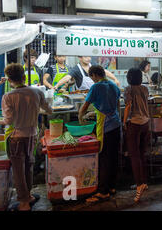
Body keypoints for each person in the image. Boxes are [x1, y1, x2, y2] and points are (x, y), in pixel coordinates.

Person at [0, 63, 52, 211]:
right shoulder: (36, 92)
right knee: (29, 165)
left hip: (15, 137)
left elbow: (8, 121)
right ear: (24, 76)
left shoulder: (8, 96)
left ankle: (23, 202)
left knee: (18, 169)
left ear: (9, 80)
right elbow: (49, 109)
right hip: (31, 136)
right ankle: (29, 195)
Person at [78, 65, 121, 203]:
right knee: (114, 157)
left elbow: (84, 107)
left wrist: (80, 118)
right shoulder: (114, 85)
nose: (92, 80)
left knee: (104, 159)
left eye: (91, 77)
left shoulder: (96, 87)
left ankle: (103, 192)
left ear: (95, 75)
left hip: (106, 126)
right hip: (116, 123)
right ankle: (112, 187)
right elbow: (117, 105)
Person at [123, 68, 150, 203]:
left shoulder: (128, 89)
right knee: (142, 154)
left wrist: (123, 122)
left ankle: (139, 186)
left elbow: (128, 107)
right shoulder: (145, 88)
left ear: (129, 77)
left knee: (134, 156)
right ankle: (143, 182)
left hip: (134, 124)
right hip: (146, 123)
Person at [54, 56, 120, 91]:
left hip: (96, 93)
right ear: (80, 58)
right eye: (86, 57)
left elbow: (104, 71)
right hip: (82, 96)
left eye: (89, 57)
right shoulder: (76, 69)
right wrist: (57, 86)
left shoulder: (93, 65)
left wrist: (115, 78)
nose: (88, 59)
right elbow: (67, 77)